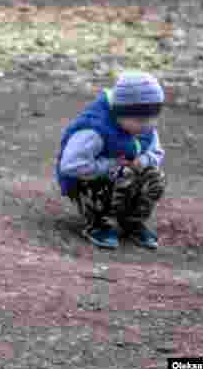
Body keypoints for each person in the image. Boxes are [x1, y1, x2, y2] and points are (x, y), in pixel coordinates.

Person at [55, 71, 166, 250]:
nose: (147, 125)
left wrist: (143, 160)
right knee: (124, 174)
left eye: (152, 119)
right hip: (87, 182)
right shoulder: (95, 129)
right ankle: (99, 222)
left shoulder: (145, 127)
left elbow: (156, 152)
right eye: (140, 120)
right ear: (120, 113)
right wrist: (111, 165)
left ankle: (132, 222)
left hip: (122, 175)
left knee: (154, 176)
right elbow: (70, 165)